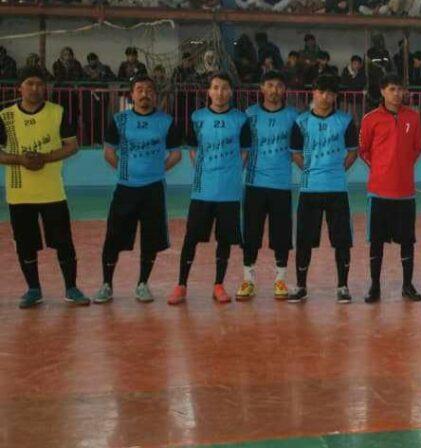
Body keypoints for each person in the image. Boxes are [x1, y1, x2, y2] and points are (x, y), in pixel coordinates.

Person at [0, 66, 89, 308]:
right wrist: (21, 160)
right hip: (20, 194)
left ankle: (71, 288)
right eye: (30, 83)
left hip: (52, 192)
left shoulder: (57, 112)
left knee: (63, 241)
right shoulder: (5, 116)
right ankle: (33, 289)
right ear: (20, 87)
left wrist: (45, 158)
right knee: (25, 243)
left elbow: (72, 146)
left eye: (40, 84)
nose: (35, 88)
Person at [91, 75, 182, 303]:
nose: (144, 94)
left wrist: (157, 170)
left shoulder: (166, 121)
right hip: (126, 189)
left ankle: (143, 284)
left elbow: (176, 154)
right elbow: (109, 152)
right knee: (114, 237)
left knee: (151, 238)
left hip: (153, 190)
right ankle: (106, 284)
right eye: (139, 89)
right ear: (132, 94)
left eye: (149, 90)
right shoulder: (120, 120)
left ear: (155, 95)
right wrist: (126, 171)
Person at [167, 74, 252, 305]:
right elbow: (193, 150)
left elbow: (244, 151)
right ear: (209, 92)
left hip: (229, 191)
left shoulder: (240, 119)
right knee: (191, 238)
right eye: (216, 87)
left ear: (231, 92)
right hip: (202, 190)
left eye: (225, 88)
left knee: (224, 239)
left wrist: (232, 172)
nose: (220, 92)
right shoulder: (197, 118)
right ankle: (181, 285)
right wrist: (205, 171)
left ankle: (218, 284)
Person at [288, 74, 359, 302]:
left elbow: (352, 152)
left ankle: (342, 286)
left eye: (330, 93)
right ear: (313, 93)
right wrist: (310, 170)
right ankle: (301, 286)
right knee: (304, 240)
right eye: (320, 92)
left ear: (335, 96)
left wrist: (337, 170)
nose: (325, 97)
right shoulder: (301, 122)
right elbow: (296, 154)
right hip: (309, 190)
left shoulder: (345, 121)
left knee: (341, 240)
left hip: (337, 189)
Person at [359, 74, 421, 303]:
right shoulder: (370, 119)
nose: (397, 94)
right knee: (377, 242)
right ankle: (374, 287)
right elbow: (363, 149)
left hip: (405, 192)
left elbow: (417, 148)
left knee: (407, 242)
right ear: (382, 91)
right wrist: (380, 167)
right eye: (392, 89)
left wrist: (402, 166)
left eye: (400, 90)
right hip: (379, 192)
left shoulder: (413, 118)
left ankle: (407, 286)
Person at [236, 71, 299, 301]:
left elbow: (299, 150)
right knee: (251, 233)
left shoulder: (294, 116)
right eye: (270, 85)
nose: (274, 90)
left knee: (281, 235)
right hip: (254, 183)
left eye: (279, 85)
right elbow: (242, 148)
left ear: (284, 90)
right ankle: (248, 279)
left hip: (281, 184)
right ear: (261, 88)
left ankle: (280, 279)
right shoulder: (249, 115)